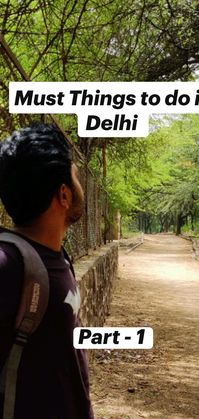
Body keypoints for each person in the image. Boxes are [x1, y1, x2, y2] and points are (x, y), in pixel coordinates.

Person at [0, 124, 94, 418]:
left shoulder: (56, 256)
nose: (81, 186)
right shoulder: (9, 266)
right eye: (77, 178)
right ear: (64, 195)